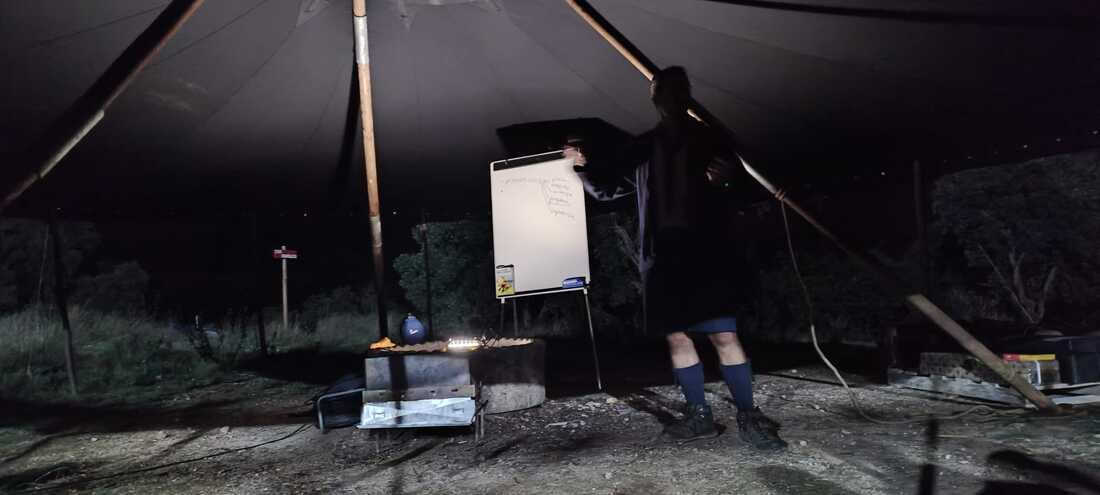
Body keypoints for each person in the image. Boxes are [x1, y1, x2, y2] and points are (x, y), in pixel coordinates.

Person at [565, 66, 786, 450]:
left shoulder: (711, 138)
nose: (669, 97)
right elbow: (606, 190)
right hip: (662, 257)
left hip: (706, 253)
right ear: (655, 98)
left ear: (687, 94)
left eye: (676, 89)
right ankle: (699, 415)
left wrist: (727, 180)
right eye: (663, 90)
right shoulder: (644, 146)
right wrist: (580, 167)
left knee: (724, 334)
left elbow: (741, 188)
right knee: (678, 337)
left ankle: (748, 415)